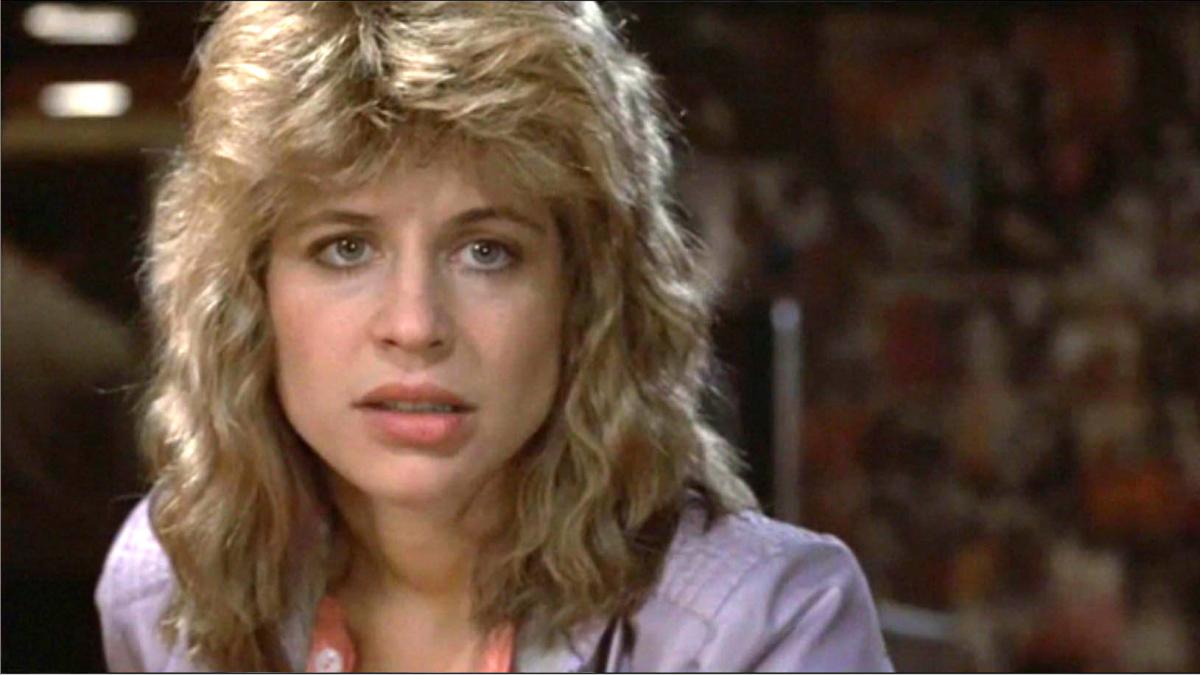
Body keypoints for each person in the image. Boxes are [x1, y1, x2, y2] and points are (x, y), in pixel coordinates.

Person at [95, 2, 893, 671]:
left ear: (585, 299)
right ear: (248, 294)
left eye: (487, 252)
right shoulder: (166, 585)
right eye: (345, 247)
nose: (414, 326)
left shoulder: (763, 624)